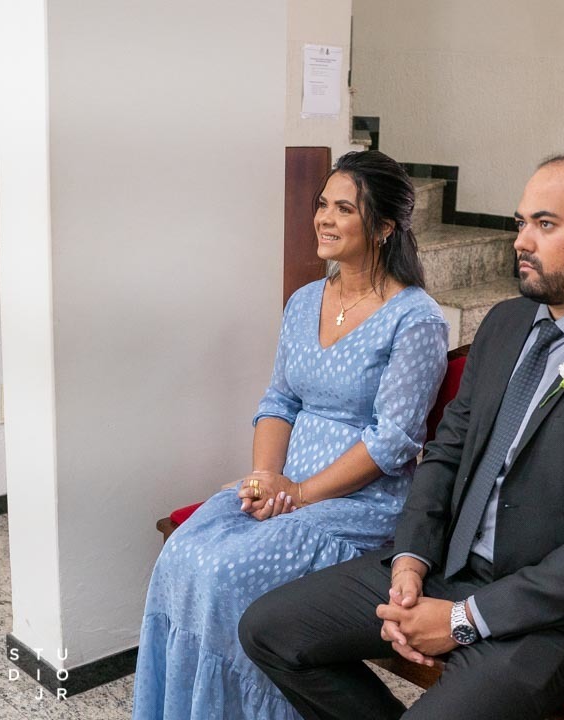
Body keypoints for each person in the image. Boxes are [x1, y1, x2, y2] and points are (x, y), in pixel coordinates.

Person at [238, 154, 564, 720]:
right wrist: (410, 560)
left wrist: (462, 620)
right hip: (454, 566)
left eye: (545, 224)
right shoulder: (505, 323)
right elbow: (445, 454)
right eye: (520, 223)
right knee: (270, 630)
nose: (522, 242)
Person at [132, 150, 450, 720]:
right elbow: (279, 401)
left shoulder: (417, 318)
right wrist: (264, 478)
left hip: (360, 507)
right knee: (182, 555)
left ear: (383, 227)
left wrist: (301, 494)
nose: (324, 218)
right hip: (285, 487)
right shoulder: (305, 301)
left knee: (225, 575)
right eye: (323, 204)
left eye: (344, 209)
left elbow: (393, 441)